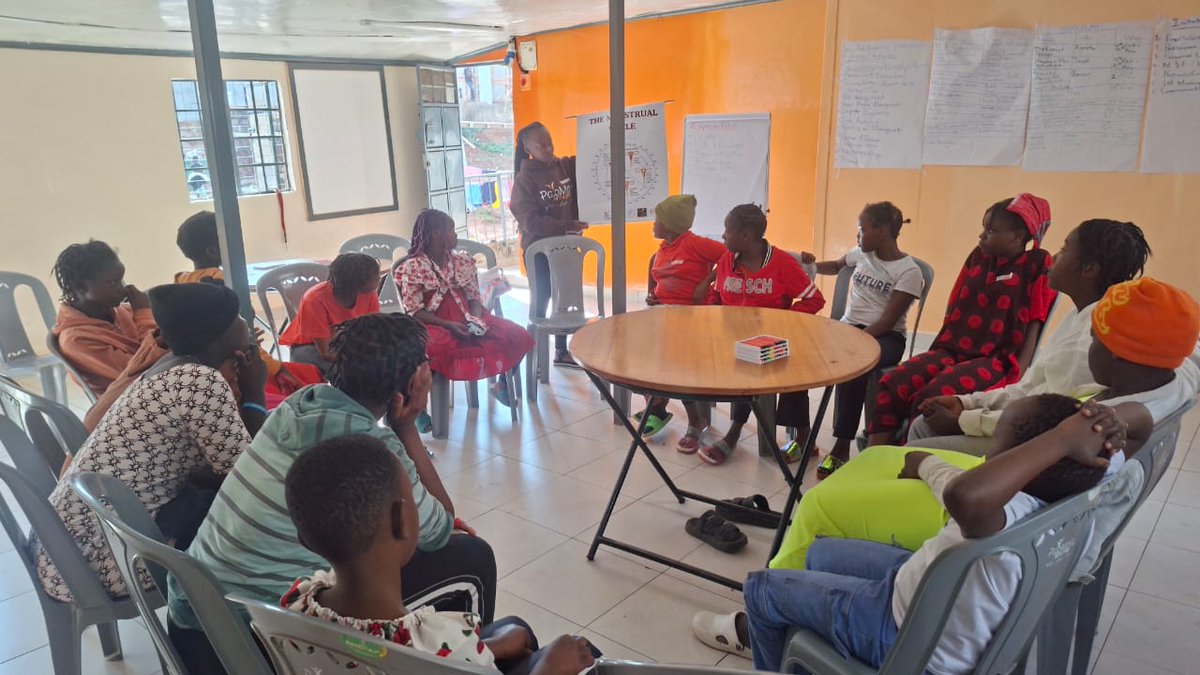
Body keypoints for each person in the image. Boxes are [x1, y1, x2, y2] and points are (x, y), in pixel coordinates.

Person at [763, 276, 1199, 571]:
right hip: (1033, 520)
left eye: (1096, 341)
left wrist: (935, 460)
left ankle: (775, 601)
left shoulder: (1097, 426)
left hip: (1012, 533)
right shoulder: (1167, 379)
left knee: (819, 506)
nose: (1088, 350)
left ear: (1121, 356)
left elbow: (973, 494)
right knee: (878, 459)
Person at [708, 393, 1147, 673]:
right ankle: (802, 648)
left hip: (912, 639)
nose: (989, 451)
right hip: (931, 593)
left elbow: (964, 494)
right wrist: (1085, 429)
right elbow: (1142, 419)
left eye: (999, 442)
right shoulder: (1088, 480)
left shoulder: (1001, 509)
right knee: (820, 553)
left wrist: (1059, 438)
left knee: (762, 588)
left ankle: (768, 655)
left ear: (1021, 462)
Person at [169, 313, 495, 674]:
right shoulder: (375, 445)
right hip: (258, 634)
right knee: (471, 556)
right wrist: (407, 426)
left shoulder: (295, 407)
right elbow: (437, 530)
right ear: (415, 382)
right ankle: (471, 658)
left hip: (193, 611)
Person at [283, 434, 599, 675]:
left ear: (304, 540)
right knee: (582, 653)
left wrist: (491, 647)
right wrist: (550, 668)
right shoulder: (444, 642)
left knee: (515, 629)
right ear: (401, 521)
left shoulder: (295, 604)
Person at [34, 283, 266, 602]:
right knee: (253, 520)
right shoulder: (201, 381)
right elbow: (249, 474)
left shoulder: (168, 367)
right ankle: (229, 621)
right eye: (239, 316)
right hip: (104, 563)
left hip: (64, 550)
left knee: (211, 496)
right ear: (221, 330)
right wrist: (255, 394)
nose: (246, 324)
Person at [910, 219, 1153, 454]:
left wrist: (963, 421)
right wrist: (966, 403)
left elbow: (1043, 420)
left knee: (914, 448)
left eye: (1065, 249)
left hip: (1029, 447)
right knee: (923, 424)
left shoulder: (1088, 344)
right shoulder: (1077, 317)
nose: (1054, 258)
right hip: (1020, 427)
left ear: (1089, 269)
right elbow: (1028, 389)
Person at [864, 194, 1057, 449]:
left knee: (932, 398)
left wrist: (1020, 370)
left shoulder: (1037, 264)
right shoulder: (979, 256)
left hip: (994, 359)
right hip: (951, 348)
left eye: (990, 230)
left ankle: (902, 460)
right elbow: (955, 304)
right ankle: (874, 456)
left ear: (1018, 236)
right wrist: (938, 349)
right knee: (892, 382)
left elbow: (1036, 317)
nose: (981, 236)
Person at [799, 202, 924, 476]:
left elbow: (887, 322)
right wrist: (808, 265)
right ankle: (801, 434)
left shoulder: (908, 272)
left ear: (882, 231)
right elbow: (835, 265)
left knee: (855, 365)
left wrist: (852, 341)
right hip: (849, 329)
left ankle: (841, 446)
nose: (858, 235)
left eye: (862, 229)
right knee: (800, 351)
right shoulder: (861, 254)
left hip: (886, 337)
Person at [699, 204, 825, 466]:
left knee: (788, 368)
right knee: (722, 358)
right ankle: (731, 430)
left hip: (773, 340)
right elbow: (717, 294)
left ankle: (799, 438)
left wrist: (783, 322)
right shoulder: (726, 261)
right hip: (734, 339)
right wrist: (713, 313)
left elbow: (814, 299)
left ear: (746, 235)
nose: (723, 236)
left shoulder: (781, 264)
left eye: (727, 231)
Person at [395, 209, 534, 406]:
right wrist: (448, 324)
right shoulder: (414, 267)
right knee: (433, 348)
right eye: (450, 230)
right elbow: (415, 312)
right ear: (435, 234)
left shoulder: (461, 261)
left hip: (467, 318)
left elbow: (474, 298)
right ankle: (416, 404)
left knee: (516, 334)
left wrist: (475, 319)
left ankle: (501, 386)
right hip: (432, 323)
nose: (455, 235)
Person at [636, 194, 727, 449]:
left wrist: (705, 283)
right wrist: (652, 295)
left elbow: (730, 257)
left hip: (692, 316)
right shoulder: (663, 248)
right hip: (665, 313)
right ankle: (656, 405)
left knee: (674, 361)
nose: (653, 224)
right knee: (638, 353)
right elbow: (656, 272)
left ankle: (694, 420)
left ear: (673, 224)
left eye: (658, 219)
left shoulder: (696, 244)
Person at [509, 121, 588, 369]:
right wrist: (565, 226)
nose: (548, 146)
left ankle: (560, 351)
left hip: (566, 248)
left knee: (564, 297)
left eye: (550, 140)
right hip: (539, 252)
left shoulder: (564, 166)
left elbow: (592, 158)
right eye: (541, 143)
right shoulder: (523, 180)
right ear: (527, 147)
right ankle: (536, 354)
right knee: (542, 299)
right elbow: (530, 221)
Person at [50, 240, 156, 396]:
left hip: (151, 388)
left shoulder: (118, 311)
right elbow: (144, 372)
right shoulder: (77, 340)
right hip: (129, 403)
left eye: (121, 280)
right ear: (81, 287)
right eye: (113, 282)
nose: (123, 288)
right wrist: (143, 314)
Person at [279, 252, 381, 374]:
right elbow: (326, 352)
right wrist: (362, 359)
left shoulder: (368, 294)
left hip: (345, 341)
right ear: (356, 284)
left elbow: (372, 331)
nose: (378, 279)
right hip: (308, 346)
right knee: (344, 372)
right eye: (375, 277)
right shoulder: (314, 300)